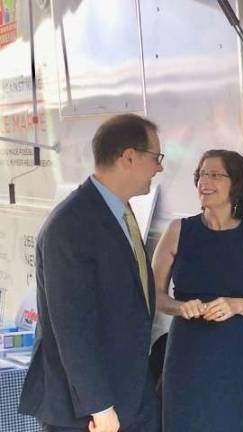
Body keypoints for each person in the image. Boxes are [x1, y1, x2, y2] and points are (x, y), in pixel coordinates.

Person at [18, 114, 164, 432]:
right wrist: (101, 408)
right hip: (88, 414)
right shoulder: (69, 226)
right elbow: (72, 327)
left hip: (131, 396)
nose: (159, 168)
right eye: (156, 158)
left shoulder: (120, 212)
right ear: (129, 157)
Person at [153, 149, 243, 432]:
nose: (205, 181)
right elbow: (154, 295)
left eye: (215, 174)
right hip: (188, 353)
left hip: (239, 356)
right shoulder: (178, 231)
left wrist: (235, 305)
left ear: (236, 184)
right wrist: (179, 307)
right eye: (201, 174)